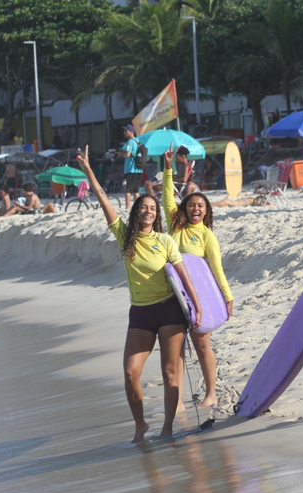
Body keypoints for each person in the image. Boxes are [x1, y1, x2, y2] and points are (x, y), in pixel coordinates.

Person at [76, 143, 202, 442]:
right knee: (131, 372)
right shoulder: (124, 237)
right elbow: (103, 199)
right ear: (136, 213)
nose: (148, 211)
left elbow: (184, 278)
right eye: (143, 207)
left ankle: (168, 428)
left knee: (171, 373)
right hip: (141, 313)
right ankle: (140, 424)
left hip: (170, 311)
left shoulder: (166, 241)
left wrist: (196, 310)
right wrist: (89, 171)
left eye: (152, 208)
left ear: (156, 215)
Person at [160, 144, 233, 409]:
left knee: (202, 345)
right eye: (192, 205)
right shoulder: (175, 226)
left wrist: (227, 297)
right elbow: (168, 199)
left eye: (201, 206)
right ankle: (177, 399)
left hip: (197, 296)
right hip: (173, 295)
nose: (196, 209)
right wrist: (168, 169)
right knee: (176, 348)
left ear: (206, 211)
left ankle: (211, 393)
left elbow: (216, 269)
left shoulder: (206, 236)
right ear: (185, 208)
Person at [118, 124, 143, 209]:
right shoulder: (138, 141)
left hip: (131, 169)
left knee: (127, 190)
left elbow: (128, 154)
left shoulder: (130, 142)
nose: (124, 133)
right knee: (136, 190)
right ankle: (138, 207)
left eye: (126, 131)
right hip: (138, 169)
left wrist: (121, 153)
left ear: (131, 131)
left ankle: (127, 207)